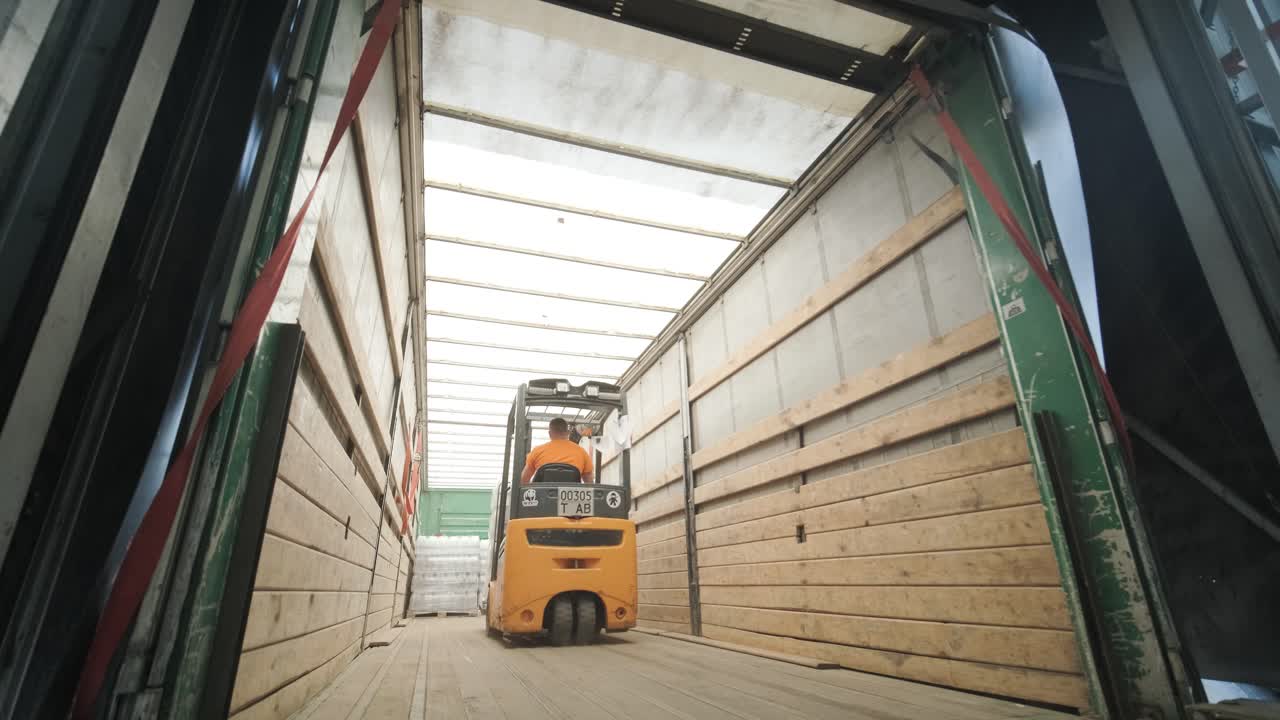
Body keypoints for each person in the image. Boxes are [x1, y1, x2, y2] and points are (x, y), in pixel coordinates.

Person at [520, 417, 593, 484]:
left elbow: (523, 480)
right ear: (568, 432)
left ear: (549, 433)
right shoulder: (581, 452)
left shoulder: (537, 451)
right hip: (571, 493)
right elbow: (589, 483)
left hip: (542, 494)